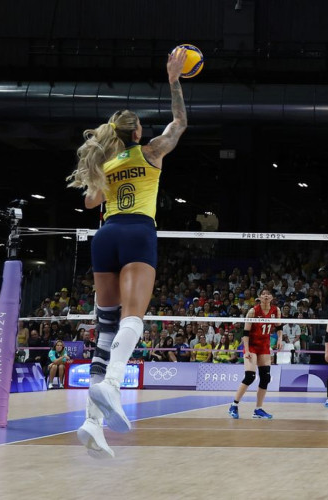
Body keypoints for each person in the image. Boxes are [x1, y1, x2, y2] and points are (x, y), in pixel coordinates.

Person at [68, 47, 188, 459]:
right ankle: (113, 383)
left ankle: (91, 423)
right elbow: (180, 123)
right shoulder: (151, 151)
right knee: (133, 319)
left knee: (104, 330)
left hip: (105, 235)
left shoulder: (107, 162)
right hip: (138, 231)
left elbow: (89, 203)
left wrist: (103, 169)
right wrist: (173, 80)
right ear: (137, 134)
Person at [228, 288, 282, 419]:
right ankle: (234, 405)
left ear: (272, 297)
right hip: (252, 346)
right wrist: (246, 350)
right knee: (250, 377)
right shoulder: (253, 311)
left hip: (264, 346)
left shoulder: (276, 310)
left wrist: (279, 339)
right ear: (259, 297)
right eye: (263, 294)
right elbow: (245, 333)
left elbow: (279, 327)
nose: (266, 296)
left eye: (268, 294)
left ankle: (258, 409)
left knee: (266, 378)